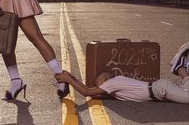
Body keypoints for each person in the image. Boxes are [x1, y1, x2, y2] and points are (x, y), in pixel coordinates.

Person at [55, 42, 189, 103]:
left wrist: (69, 80)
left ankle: (179, 66)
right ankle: (182, 66)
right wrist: (71, 77)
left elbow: (87, 92)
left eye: (99, 82)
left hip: (161, 89)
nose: (98, 85)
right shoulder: (114, 89)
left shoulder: (113, 83)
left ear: (107, 77)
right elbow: (93, 93)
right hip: (160, 89)